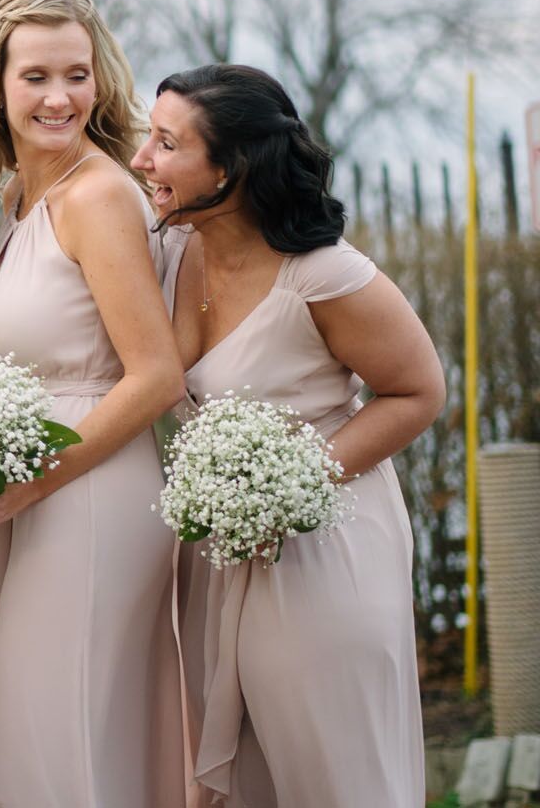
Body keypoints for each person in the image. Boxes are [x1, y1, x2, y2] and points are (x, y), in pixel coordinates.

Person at [133, 64, 441, 807]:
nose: (143, 158)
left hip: (323, 543)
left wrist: (291, 486)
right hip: (219, 552)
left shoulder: (324, 274)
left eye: (167, 142)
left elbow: (420, 391)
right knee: (248, 773)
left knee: (333, 763)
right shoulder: (174, 253)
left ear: (231, 166)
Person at [0, 0, 187, 807]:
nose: (59, 97)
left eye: (77, 74)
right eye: (36, 76)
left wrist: (35, 480)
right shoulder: (16, 200)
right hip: (34, 491)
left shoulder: (98, 195)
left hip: (91, 492)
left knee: (64, 728)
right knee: (36, 726)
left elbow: (156, 373)